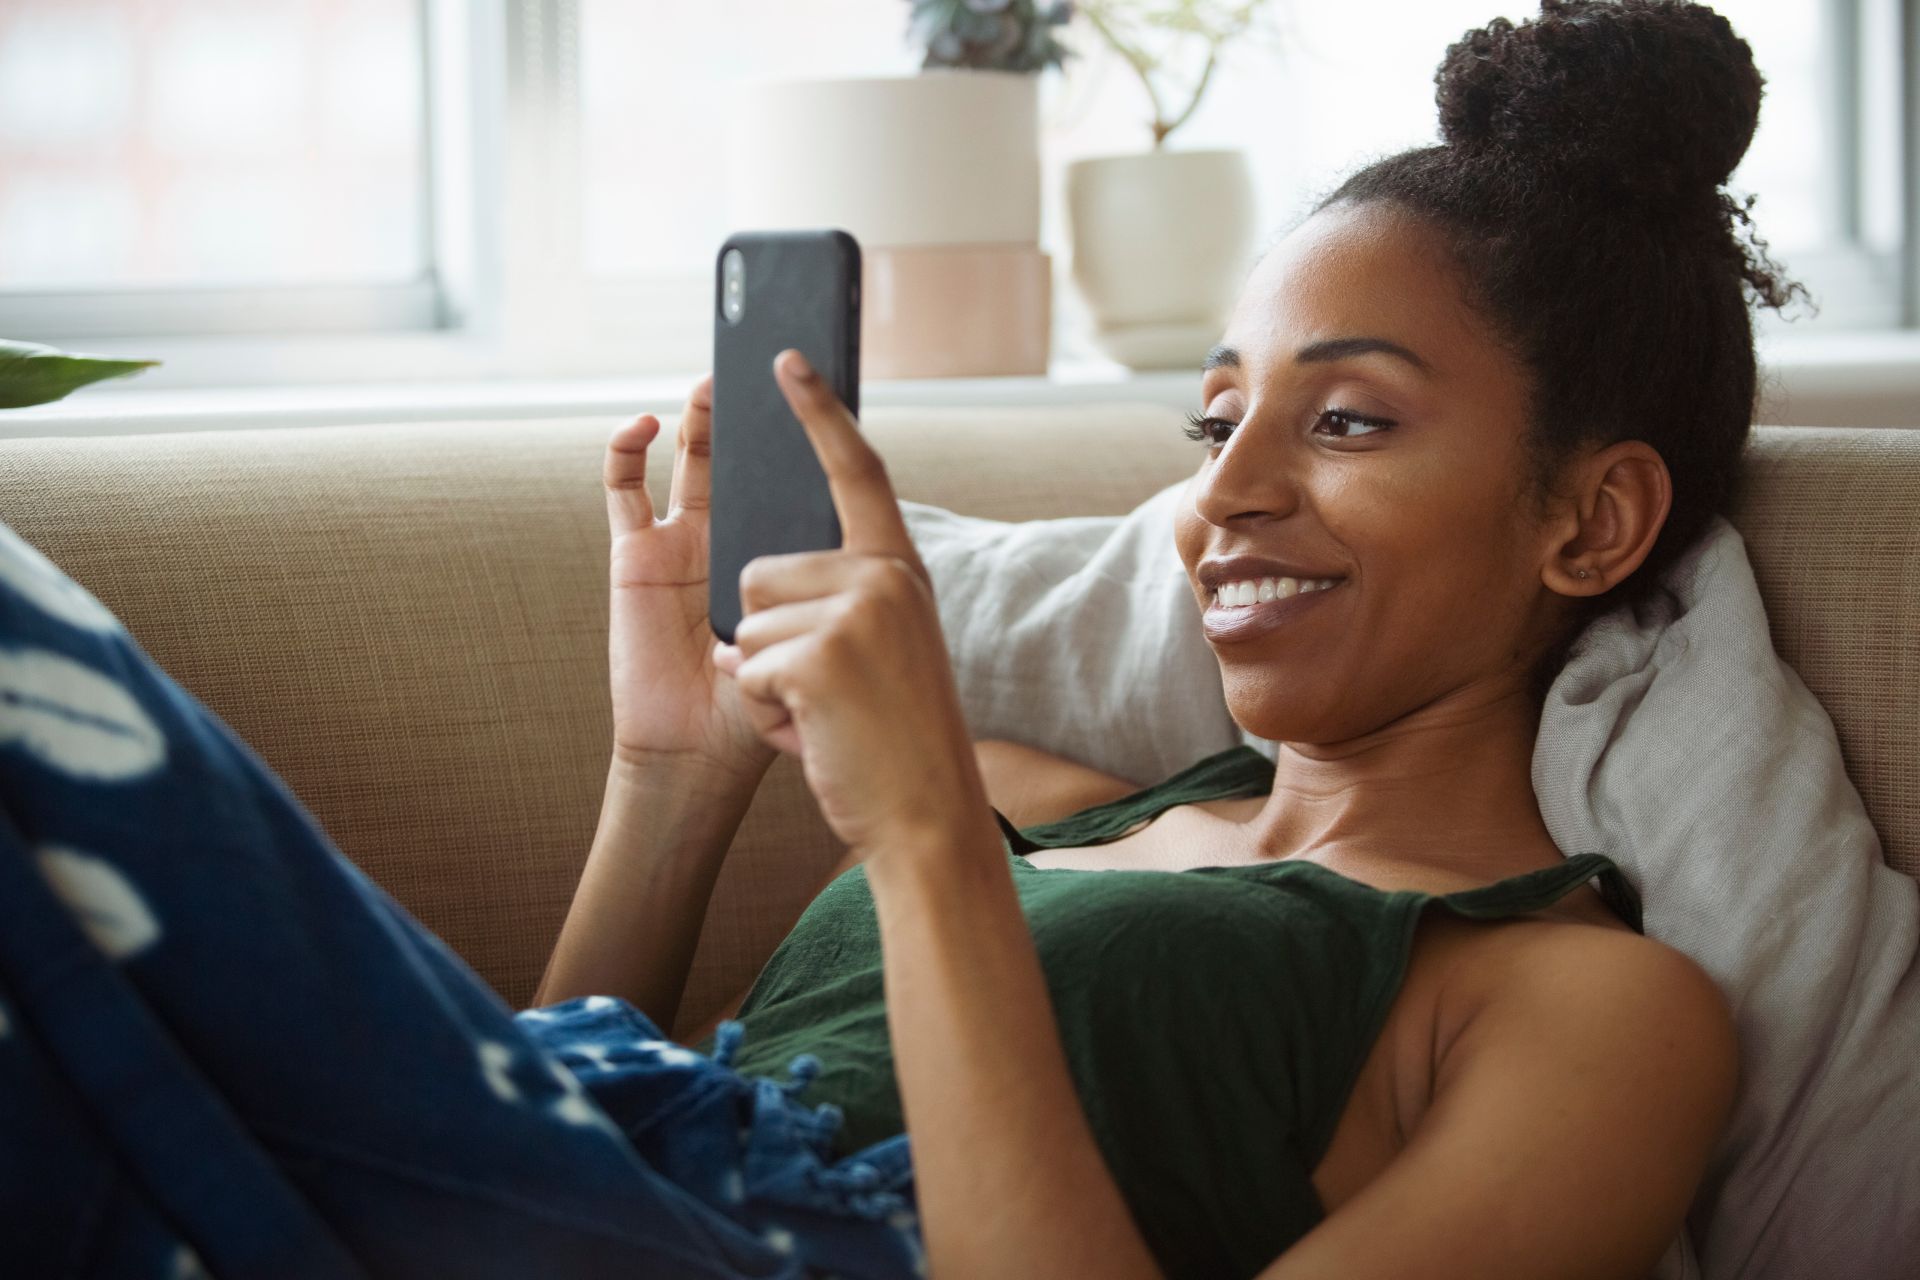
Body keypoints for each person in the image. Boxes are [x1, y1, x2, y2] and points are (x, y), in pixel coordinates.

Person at [0, 2, 1791, 1277]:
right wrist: (673, 775)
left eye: (1345, 424)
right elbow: (526, 1119)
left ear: (1592, 519)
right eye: (1217, 421)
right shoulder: (1074, 805)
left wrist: (930, 838)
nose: (1221, 498)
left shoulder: (1594, 1013)